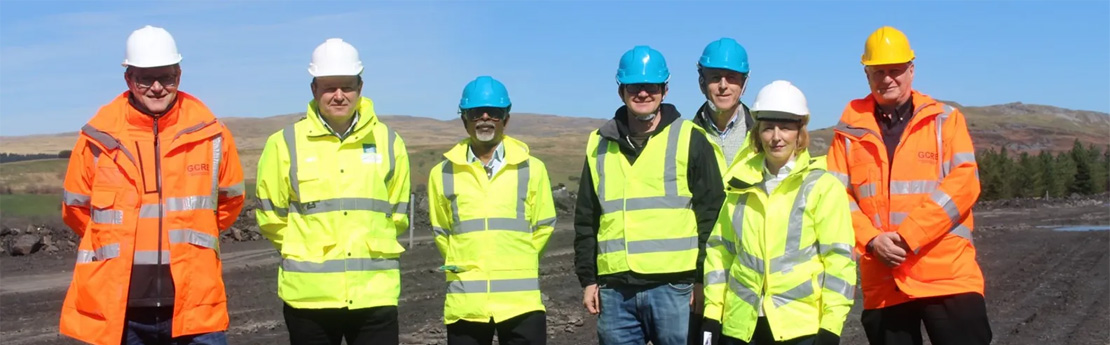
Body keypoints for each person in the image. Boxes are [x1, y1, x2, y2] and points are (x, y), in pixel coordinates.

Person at [59, 25, 245, 345]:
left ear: (179, 75)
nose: (157, 87)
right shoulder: (97, 139)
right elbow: (76, 210)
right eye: (146, 78)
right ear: (129, 79)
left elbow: (230, 202)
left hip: (195, 309)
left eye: (167, 77)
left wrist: (192, 235)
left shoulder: (211, 134)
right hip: (121, 312)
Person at [826, 26, 993, 345]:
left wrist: (908, 236)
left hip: (947, 275)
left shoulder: (945, 120)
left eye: (896, 70)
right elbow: (835, 197)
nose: (887, 78)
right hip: (885, 280)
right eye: (879, 71)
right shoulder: (847, 132)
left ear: (911, 70)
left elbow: (964, 184)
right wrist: (872, 240)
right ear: (867, 74)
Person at [254, 38, 410, 345]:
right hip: (309, 299)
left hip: (374, 294)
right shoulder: (284, 143)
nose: (338, 96)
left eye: (347, 86)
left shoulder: (390, 142)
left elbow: (398, 214)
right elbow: (271, 216)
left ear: (360, 87)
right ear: (314, 89)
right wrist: (305, 249)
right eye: (329, 87)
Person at [573, 45, 725, 345]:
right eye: (634, 86)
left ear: (664, 90)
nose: (643, 93)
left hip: (674, 288)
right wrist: (589, 279)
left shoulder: (690, 138)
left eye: (651, 86)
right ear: (622, 91)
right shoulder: (599, 143)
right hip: (615, 292)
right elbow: (586, 217)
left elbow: (712, 215)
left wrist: (701, 279)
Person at [701, 80, 857, 345]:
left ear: (799, 132)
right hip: (741, 327)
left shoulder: (822, 187)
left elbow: (839, 262)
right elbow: (720, 254)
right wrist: (712, 315)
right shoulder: (739, 184)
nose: (776, 136)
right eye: (768, 128)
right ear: (757, 133)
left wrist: (831, 327)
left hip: (801, 329)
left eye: (785, 127)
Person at [426, 76, 558, 345]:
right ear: (464, 118)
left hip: (521, 303)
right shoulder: (441, 174)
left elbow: (544, 226)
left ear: (505, 119)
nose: (485, 119)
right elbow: (442, 232)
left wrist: (517, 260)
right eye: (476, 113)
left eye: (494, 113)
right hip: (466, 303)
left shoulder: (533, 168)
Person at [692, 38, 756, 173]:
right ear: (702, 83)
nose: (723, 86)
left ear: (743, 84)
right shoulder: (686, 136)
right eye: (715, 77)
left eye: (731, 78)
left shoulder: (761, 134)